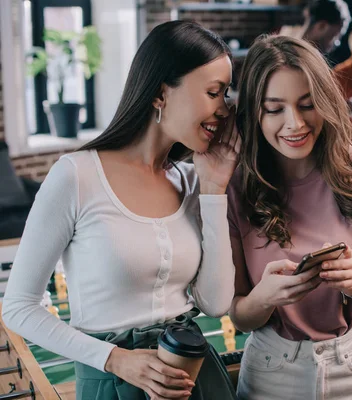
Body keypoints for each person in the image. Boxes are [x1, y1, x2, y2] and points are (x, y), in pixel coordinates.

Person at [3, 21, 239, 399]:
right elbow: (17, 307)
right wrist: (114, 358)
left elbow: (215, 302)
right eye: (214, 93)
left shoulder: (194, 181)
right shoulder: (76, 176)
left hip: (195, 378)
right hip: (111, 384)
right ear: (162, 93)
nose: (224, 110)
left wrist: (214, 191)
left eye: (225, 95)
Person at [227, 35, 352, 400]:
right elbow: (241, 315)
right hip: (272, 374)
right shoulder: (235, 186)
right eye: (274, 109)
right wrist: (266, 297)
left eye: (308, 105)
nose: (295, 124)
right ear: (254, 112)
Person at [279, 0, 351, 55]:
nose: (335, 44)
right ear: (322, 26)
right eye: (335, 37)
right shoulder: (293, 57)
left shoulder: (283, 44)